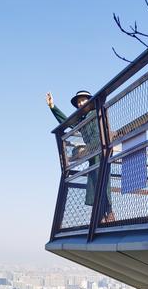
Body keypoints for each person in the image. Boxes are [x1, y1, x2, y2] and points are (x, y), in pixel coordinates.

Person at [46, 90, 115, 222]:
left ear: (90, 100)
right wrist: (52, 107)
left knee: (103, 181)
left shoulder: (97, 112)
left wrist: (87, 149)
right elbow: (67, 122)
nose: (80, 103)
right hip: (92, 153)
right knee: (94, 183)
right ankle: (100, 215)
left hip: (101, 150)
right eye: (78, 102)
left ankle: (109, 213)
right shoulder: (81, 120)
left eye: (83, 100)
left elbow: (102, 134)